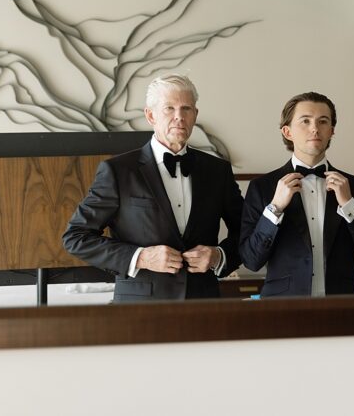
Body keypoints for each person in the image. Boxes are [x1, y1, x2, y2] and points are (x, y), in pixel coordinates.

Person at [62, 73, 243, 302]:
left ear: (195, 115)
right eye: (169, 108)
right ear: (150, 115)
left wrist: (219, 256)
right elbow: (76, 237)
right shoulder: (118, 171)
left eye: (186, 109)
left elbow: (246, 231)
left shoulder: (218, 171)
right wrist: (141, 257)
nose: (179, 117)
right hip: (140, 309)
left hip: (203, 304)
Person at [240, 92, 354, 297]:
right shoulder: (262, 187)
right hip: (281, 310)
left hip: (343, 307)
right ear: (287, 131)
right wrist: (275, 209)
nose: (315, 129)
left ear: (332, 131)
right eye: (305, 121)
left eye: (323, 121)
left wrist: (349, 206)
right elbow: (251, 260)